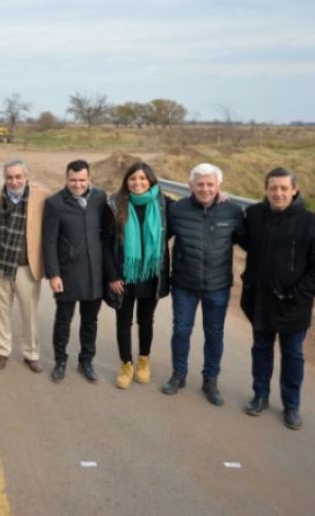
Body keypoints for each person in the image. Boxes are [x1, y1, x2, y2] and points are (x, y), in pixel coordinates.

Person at [240, 167, 315, 430]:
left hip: (294, 305)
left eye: (284, 188)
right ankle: (260, 395)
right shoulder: (254, 215)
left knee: (293, 355)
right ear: (266, 190)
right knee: (261, 349)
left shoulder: (311, 222)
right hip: (260, 300)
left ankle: (291, 405)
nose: (278, 193)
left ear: (294, 190)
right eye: (273, 188)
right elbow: (239, 239)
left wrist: (299, 295)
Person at [162, 163, 244, 406]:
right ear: (190, 186)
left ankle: (210, 381)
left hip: (218, 286)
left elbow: (251, 242)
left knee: (214, 334)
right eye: (200, 184)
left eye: (210, 184)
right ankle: (178, 375)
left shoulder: (233, 211)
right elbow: (158, 236)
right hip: (184, 284)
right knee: (181, 331)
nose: (205, 188)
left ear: (219, 186)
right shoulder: (177, 210)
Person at [103, 162, 170, 389]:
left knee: (146, 320)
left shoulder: (163, 204)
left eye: (142, 178)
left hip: (151, 274)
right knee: (124, 321)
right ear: (126, 182)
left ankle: (144, 360)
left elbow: (193, 206)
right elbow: (106, 242)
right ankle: (126, 364)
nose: (137, 183)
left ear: (150, 180)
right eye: (133, 179)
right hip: (124, 275)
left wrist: (218, 195)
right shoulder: (114, 205)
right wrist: (112, 276)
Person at [43, 160, 107, 383]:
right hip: (67, 274)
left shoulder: (100, 198)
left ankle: (86, 361)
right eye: (73, 180)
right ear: (66, 179)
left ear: (89, 179)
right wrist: (53, 274)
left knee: (90, 322)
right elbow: (49, 242)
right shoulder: (54, 203)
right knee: (63, 321)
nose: (78, 184)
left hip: (95, 273)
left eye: (82, 180)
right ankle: (60, 361)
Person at [0, 160, 48, 372]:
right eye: (9, 177)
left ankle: (31, 353)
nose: (14, 181)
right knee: (0, 311)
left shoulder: (41, 197)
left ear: (26, 177)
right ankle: (2, 351)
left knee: (29, 313)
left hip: (26, 267)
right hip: (0, 264)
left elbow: (64, 198)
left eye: (18, 177)